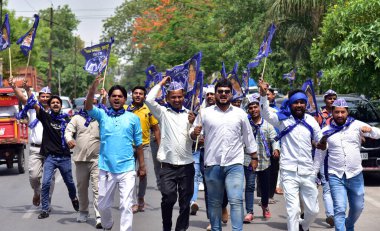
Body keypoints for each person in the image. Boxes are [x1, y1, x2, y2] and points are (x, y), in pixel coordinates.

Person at [191, 79, 257, 231]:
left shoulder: (240, 114)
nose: (223, 94)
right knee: (214, 202)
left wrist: (254, 157)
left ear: (231, 94)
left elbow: (248, 137)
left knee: (236, 200)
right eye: (220, 91)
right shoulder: (205, 113)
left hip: (234, 164)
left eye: (227, 92)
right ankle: (216, 228)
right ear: (215, 94)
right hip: (212, 164)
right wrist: (194, 134)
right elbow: (194, 133)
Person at [258, 79, 321, 231]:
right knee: (293, 210)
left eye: (302, 102)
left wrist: (323, 143)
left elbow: (320, 140)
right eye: (295, 102)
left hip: (307, 171)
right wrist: (263, 95)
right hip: (288, 171)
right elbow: (265, 113)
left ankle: (303, 226)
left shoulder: (311, 121)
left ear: (306, 104)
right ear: (290, 104)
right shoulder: (282, 119)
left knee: (313, 211)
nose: (299, 105)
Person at [85, 76, 146, 231]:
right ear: (110, 99)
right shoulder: (102, 115)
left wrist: (142, 166)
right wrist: (93, 89)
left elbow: (139, 145)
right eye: (114, 96)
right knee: (102, 205)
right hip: (106, 168)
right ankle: (108, 225)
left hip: (127, 168)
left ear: (125, 99)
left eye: (120, 96)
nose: (117, 98)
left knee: (126, 205)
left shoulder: (132, 118)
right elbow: (88, 106)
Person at [314, 98, 380, 231]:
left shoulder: (356, 125)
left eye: (342, 112)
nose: (339, 115)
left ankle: (349, 224)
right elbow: (320, 153)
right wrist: (314, 173)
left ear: (347, 112)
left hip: (355, 174)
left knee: (358, 207)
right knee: (339, 209)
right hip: (335, 175)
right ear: (332, 112)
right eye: (337, 112)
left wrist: (370, 130)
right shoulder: (325, 132)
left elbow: (378, 134)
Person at [146, 77, 195, 231]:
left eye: (179, 96)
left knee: (185, 203)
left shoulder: (190, 114)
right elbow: (148, 99)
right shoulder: (163, 112)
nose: (177, 99)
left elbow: (193, 137)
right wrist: (161, 83)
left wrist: (194, 126)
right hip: (167, 166)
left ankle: (181, 229)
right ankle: (166, 226)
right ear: (167, 98)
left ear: (184, 97)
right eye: (173, 97)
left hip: (187, 165)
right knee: (168, 198)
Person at [8, 78, 56, 209]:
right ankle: (37, 192)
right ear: (39, 98)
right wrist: (14, 87)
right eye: (43, 96)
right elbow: (23, 98)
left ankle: (47, 201)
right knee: (34, 176)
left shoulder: (55, 111)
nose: (45, 98)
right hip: (36, 149)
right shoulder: (33, 109)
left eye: (48, 96)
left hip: (51, 150)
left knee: (49, 178)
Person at [31, 94, 79, 219]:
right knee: (46, 183)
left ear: (61, 105)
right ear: (49, 105)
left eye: (58, 102)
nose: (56, 104)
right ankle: (45, 209)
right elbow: (35, 104)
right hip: (50, 157)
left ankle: (73, 197)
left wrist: (72, 141)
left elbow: (73, 134)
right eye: (53, 103)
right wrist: (26, 89)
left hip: (64, 157)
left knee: (69, 182)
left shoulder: (67, 120)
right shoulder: (45, 117)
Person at [64, 97, 102, 228]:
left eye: (94, 103)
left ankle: (99, 215)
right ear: (84, 104)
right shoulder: (76, 118)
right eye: (89, 103)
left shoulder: (101, 117)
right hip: (80, 159)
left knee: (97, 188)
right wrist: (69, 139)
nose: (91, 105)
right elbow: (68, 131)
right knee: (82, 187)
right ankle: (83, 211)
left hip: (97, 159)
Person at [243, 97, 280, 223]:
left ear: (259, 108)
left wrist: (276, 149)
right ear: (248, 110)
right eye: (251, 108)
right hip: (248, 160)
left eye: (255, 107)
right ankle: (249, 212)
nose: (253, 110)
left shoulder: (268, 125)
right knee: (249, 185)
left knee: (265, 188)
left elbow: (274, 139)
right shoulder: (245, 125)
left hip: (265, 161)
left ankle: (265, 205)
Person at [126, 86, 161, 213]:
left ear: (144, 96)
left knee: (143, 174)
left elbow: (156, 129)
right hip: (128, 147)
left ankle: (141, 197)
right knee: (130, 175)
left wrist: (160, 147)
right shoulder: (126, 109)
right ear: (132, 95)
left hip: (144, 146)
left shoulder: (149, 110)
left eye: (141, 93)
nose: (138, 95)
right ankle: (134, 202)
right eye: (135, 93)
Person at [314, 89, 337, 227]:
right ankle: (330, 215)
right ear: (325, 100)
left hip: (337, 154)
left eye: (334, 98)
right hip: (323, 154)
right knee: (326, 185)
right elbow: (314, 134)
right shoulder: (319, 115)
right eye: (329, 98)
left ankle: (338, 212)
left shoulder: (340, 114)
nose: (332, 101)